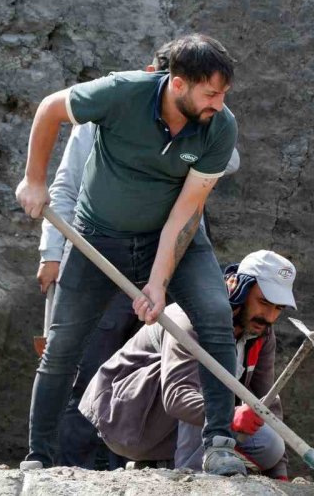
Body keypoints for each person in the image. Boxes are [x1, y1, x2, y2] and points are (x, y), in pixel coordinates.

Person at [15, 33, 245, 475]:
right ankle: (39, 456)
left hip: (176, 240)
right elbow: (50, 109)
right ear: (177, 83)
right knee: (63, 346)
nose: (219, 103)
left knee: (215, 315)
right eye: (211, 93)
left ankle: (219, 442)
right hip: (98, 239)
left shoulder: (219, 126)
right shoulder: (120, 93)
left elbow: (186, 211)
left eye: (224, 94)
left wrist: (158, 284)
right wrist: (33, 179)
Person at [79, 250, 297, 480]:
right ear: (241, 290)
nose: (270, 316)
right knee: (209, 380)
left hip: (180, 424)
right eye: (263, 302)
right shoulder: (193, 319)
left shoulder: (261, 332)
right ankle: (192, 479)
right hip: (125, 417)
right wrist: (229, 415)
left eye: (278, 308)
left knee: (270, 446)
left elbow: (266, 402)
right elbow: (177, 396)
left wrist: (279, 473)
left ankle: (162, 464)